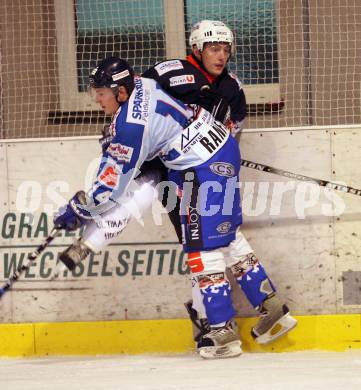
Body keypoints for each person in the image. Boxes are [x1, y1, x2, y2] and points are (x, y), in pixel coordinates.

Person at [56, 21, 297, 356]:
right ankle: (272, 309)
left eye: (101, 94)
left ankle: (222, 331)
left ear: (121, 92)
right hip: (219, 151)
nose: (97, 100)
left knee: (199, 245)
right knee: (225, 235)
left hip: (199, 169)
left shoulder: (129, 127)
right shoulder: (142, 85)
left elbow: (109, 187)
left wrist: (79, 209)